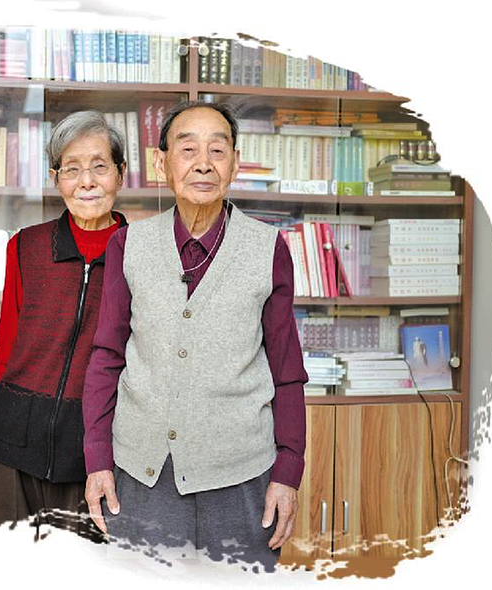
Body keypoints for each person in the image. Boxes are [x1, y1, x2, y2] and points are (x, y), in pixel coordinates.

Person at [82, 101, 308, 570]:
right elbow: (107, 356)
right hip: (141, 476)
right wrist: (98, 459)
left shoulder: (268, 249)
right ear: (161, 163)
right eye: (188, 149)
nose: (203, 163)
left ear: (235, 164)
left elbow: (286, 370)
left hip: (242, 480)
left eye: (217, 150)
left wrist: (288, 470)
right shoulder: (129, 244)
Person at [0, 110, 127, 540]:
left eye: (99, 166)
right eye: (72, 169)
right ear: (56, 178)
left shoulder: (139, 255)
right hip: (10, 446)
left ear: (120, 174)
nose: (87, 181)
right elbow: (6, 348)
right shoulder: (26, 246)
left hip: (93, 457)